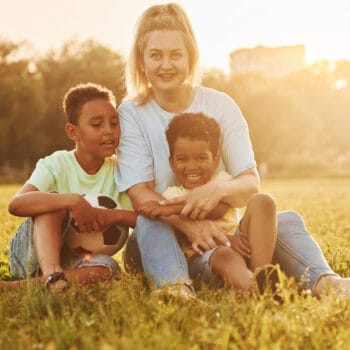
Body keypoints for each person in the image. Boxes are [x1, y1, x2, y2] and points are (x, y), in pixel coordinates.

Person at [116, 2, 350, 298]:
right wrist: (188, 225)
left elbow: (249, 183)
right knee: (150, 223)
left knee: (286, 220)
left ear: (191, 57)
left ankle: (324, 282)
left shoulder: (221, 105)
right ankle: (176, 288)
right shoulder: (131, 113)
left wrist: (218, 191)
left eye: (176, 55)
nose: (166, 65)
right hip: (166, 242)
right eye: (155, 55)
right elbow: (141, 196)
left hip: (223, 238)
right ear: (141, 61)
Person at [4, 83, 137, 291]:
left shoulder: (122, 171)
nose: (109, 131)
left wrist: (114, 216)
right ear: (73, 132)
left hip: (77, 262)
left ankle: (33, 285)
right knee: (53, 201)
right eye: (97, 124)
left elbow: (141, 218)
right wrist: (72, 201)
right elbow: (16, 204)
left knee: (108, 268)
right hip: (29, 256)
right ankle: (51, 275)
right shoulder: (56, 164)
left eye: (114, 123)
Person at [139, 112, 278, 292]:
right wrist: (226, 241)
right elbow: (179, 231)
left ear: (215, 160)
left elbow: (218, 210)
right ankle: (252, 288)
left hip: (241, 243)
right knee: (225, 255)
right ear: (172, 163)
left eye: (201, 158)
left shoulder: (221, 182)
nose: (191, 166)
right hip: (205, 256)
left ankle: (261, 272)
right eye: (182, 159)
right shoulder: (173, 194)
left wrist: (171, 210)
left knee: (263, 201)